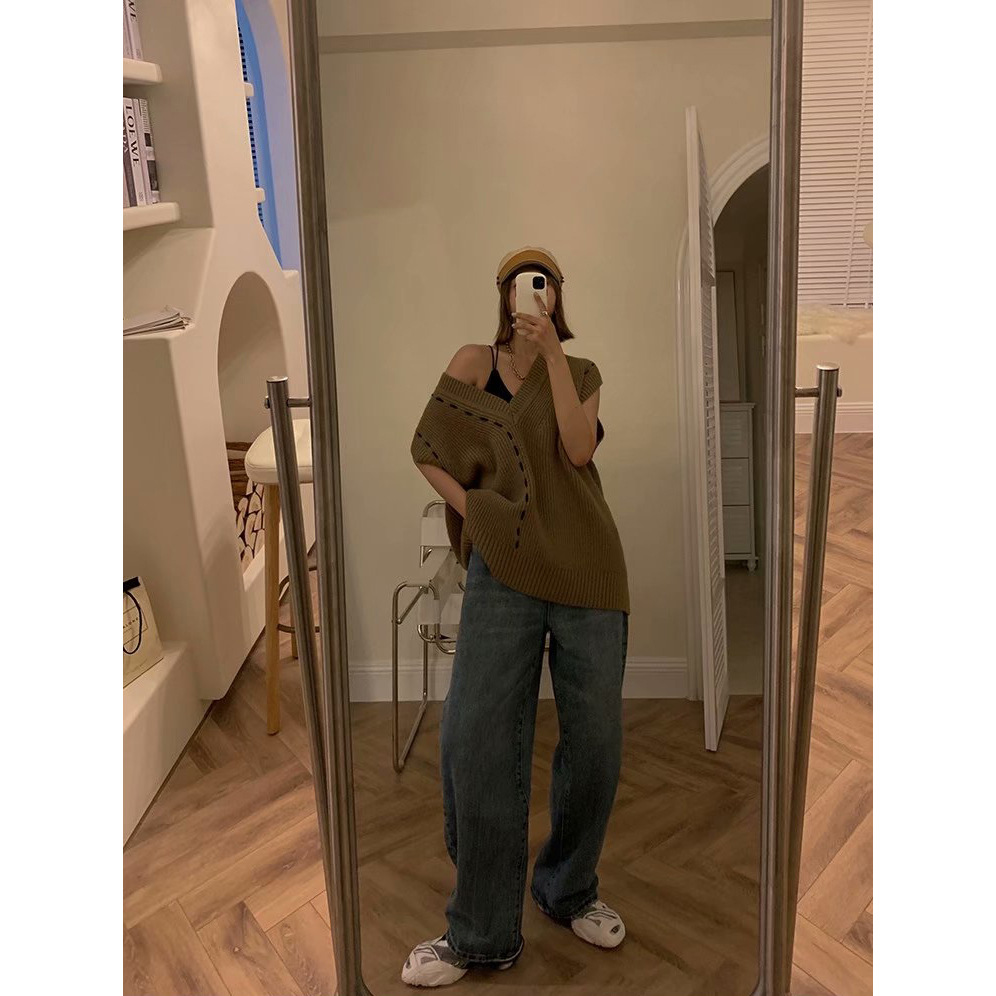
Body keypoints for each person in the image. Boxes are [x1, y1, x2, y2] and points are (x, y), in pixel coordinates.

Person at [403, 247, 630, 987]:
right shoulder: (473, 363)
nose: (530, 292)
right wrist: (476, 510)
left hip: (587, 566)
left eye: (544, 282)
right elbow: (427, 447)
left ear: (557, 298)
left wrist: (555, 358)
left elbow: (577, 450)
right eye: (519, 282)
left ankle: (568, 888)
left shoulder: (583, 371)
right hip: (504, 567)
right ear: (502, 295)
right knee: (475, 738)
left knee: (595, 743)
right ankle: (481, 931)